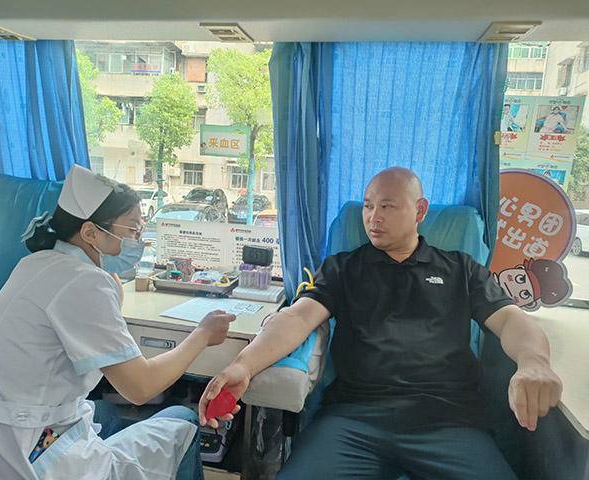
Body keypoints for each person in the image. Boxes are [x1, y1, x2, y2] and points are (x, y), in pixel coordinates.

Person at [199, 167, 563, 480]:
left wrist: (534, 363)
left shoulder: (460, 269)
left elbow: (511, 320)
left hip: (449, 421)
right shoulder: (343, 268)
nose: (373, 217)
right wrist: (244, 365)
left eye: (387, 206)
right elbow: (297, 317)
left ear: (420, 211)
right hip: (353, 418)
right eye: (368, 205)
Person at [0, 165, 238, 480]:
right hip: (24, 452)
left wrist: (112, 301)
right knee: (183, 421)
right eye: (132, 230)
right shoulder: (86, 282)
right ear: (90, 233)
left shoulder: (35, 263)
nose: (137, 241)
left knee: (107, 414)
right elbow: (141, 387)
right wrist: (202, 334)